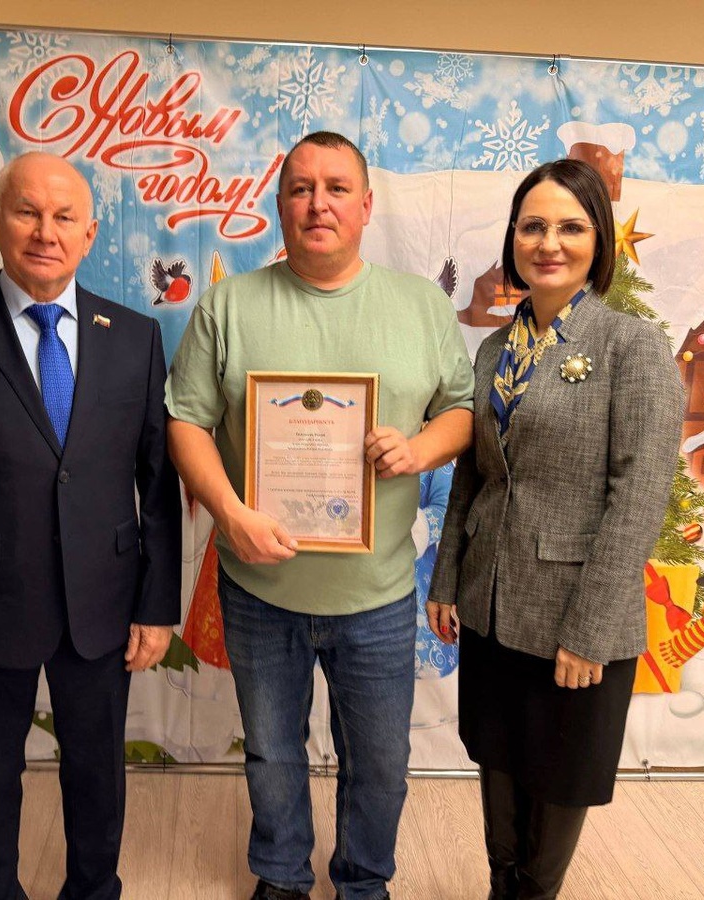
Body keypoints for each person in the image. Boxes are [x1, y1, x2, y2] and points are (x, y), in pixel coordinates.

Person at [166, 131, 474, 900]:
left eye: (336, 188)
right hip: (259, 588)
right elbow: (185, 421)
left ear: (365, 206)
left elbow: (463, 410)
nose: (318, 203)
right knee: (272, 753)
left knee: (379, 761)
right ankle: (280, 874)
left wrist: (418, 449)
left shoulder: (420, 305)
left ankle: (364, 882)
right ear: (280, 206)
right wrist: (229, 512)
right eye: (301, 188)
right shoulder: (229, 305)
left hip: (377, 591)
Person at [0, 151, 181, 900]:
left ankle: (93, 891)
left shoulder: (137, 337)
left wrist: (155, 605)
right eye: (27, 212)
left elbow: (157, 484)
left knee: (98, 775)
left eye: (64, 217)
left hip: (103, 606)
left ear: (89, 233)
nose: (46, 232)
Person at [427, 158, 685, 900]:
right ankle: (500, 884)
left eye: (570, 227)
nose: (549, 243)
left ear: (598, 240)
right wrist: (447, 580)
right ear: (513, 237)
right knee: (499, 757)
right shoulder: (493, 349)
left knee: (559, 773)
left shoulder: (630, 346)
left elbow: (638, 497)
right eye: (533, 226)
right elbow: (474, 475)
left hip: (575, 614)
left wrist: (591, 630)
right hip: (490, 602)